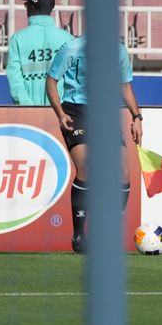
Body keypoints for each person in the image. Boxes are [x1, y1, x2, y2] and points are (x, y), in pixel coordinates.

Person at [47, 38, 143, 254]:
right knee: (87, 168)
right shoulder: (72, 48)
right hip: (75, 112)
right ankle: (79, 235)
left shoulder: (118, 50)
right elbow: (51, 80)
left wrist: (137, 117)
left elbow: (125, 86)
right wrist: (60, 114)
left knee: (122, 172)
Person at [6, 0, 73, 106]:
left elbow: (15, 81)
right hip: (63, 113)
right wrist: (61, 108)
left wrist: (28, 107)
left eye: (26, 5)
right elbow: (72, 80)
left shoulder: (18, 39)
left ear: (32, 8)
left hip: (28, 115)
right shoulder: (68, 39)